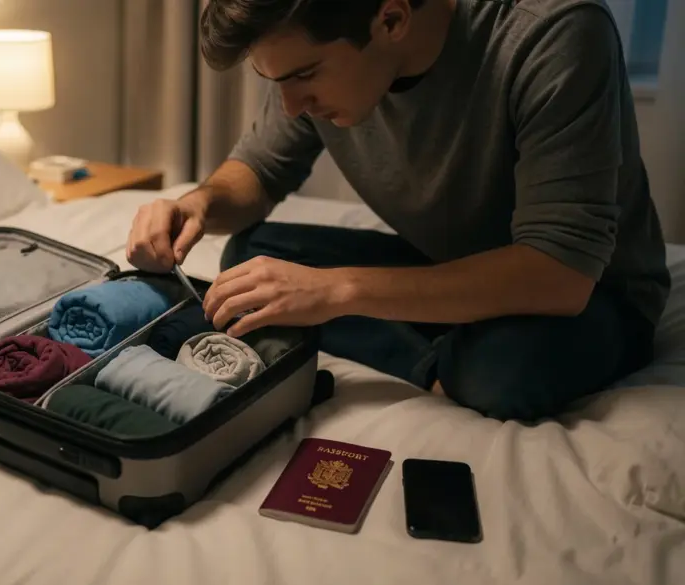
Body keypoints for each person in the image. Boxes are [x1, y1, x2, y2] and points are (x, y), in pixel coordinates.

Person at [124, 0, 671, 422]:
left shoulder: (553, 33)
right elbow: (261, 171)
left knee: (499, 374)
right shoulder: (318, 33)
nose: (291, 105)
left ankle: (450, 360)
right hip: (447, 263)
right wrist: (197, 202)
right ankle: (446, 351)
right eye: (277, 81)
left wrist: (337, 292)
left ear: (391, 19)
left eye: (304, 75)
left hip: (592, 293)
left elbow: (561, 275)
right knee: (250, 257)